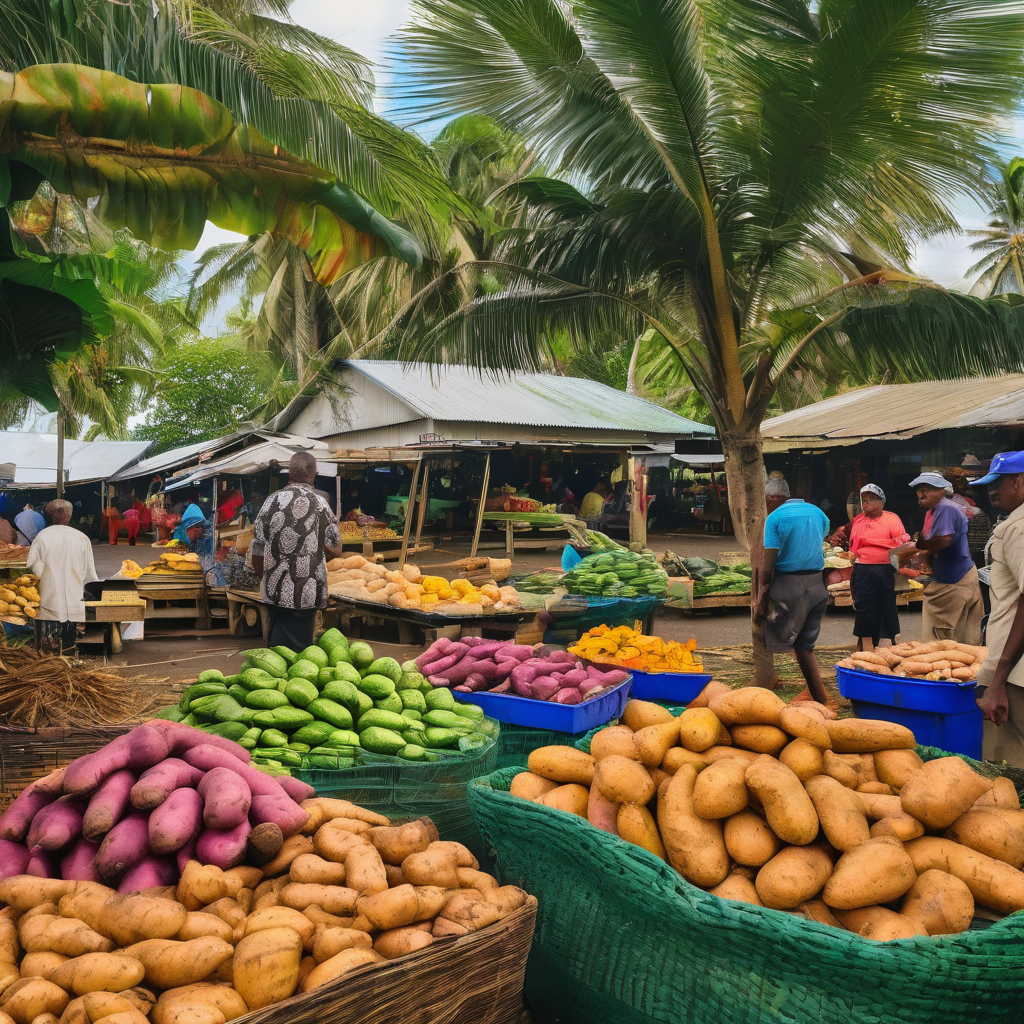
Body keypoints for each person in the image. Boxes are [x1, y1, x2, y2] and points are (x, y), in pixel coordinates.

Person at [250, 451, 342, 651]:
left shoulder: (270, 502)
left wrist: (264, 579)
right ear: (314, 474)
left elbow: (257, 549)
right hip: (308, 593)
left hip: (275, 591)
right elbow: (337, 550)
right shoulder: (321, 505)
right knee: (302, 652)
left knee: (277, 650)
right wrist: (317, 542)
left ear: (289, 472)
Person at [969, 453, 1024, 767]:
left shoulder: (1018, 529)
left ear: (1019, 480)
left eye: (998, 482)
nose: (990, 490)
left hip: (1016, 671)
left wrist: (997, 680)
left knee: (1007, 765)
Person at [753, 491, 831, 705]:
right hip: (817, 585)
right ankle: (821, 699)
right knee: (805, 646)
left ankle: (760, 690)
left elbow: (769, 559)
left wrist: (762, 595)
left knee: (766, 634)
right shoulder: (818, 513)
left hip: (789, 585)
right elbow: (820, 537)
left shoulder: (775, 518)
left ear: (773, 499)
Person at [907, 473, 983, 645]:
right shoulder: (931, 512)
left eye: (926, 490)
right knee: (962, 638)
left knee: (943, 639)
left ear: (941, 491)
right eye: (919, 490)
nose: (921, 494)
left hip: (955, 580)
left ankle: (945, 673)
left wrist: (920, 548)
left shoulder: (946, 508)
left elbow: (944, 540)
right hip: (951, 577)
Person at [26, 499, 98, 655]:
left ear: (52, 517)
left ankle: (47, 650)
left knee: (49, 628)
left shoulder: (42, 537)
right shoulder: (82, 538)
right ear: (69, 516)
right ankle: (68, 647)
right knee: (69, 627)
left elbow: (32, 565)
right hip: (73, 596)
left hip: (48, 597)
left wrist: (43, 578)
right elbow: (90, 573)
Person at [848, 484, 910, 651]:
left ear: (881, 502)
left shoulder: (892, 518)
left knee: (886, 603)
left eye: (871, 500)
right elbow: (853, 545)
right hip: (863, 568)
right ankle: (866, 644)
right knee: (865, 606)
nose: (866, 503)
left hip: (884, 567)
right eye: (864, 500)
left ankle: (885, 642)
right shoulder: (859, 520)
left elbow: (901, 541)